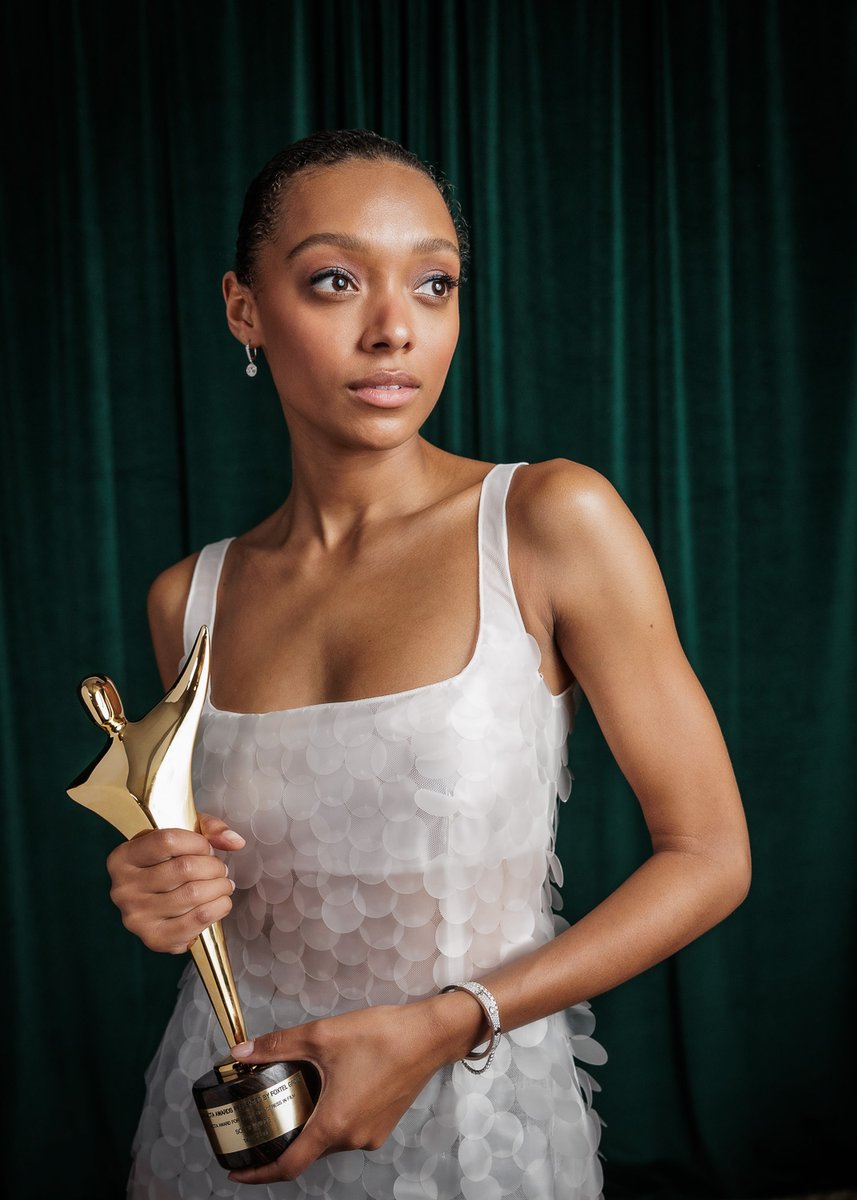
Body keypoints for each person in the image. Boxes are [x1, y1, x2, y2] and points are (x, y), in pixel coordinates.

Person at [108, 129, 751, 1200]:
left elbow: (709, 855)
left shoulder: (548, 521)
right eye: (333, 281)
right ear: (243, 309)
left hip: (473, 1131)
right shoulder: (190, 600)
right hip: (232, 1125)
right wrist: (160, 891)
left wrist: (445, 1024)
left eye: (434, 283)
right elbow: (206, 883)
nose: (394, 329)